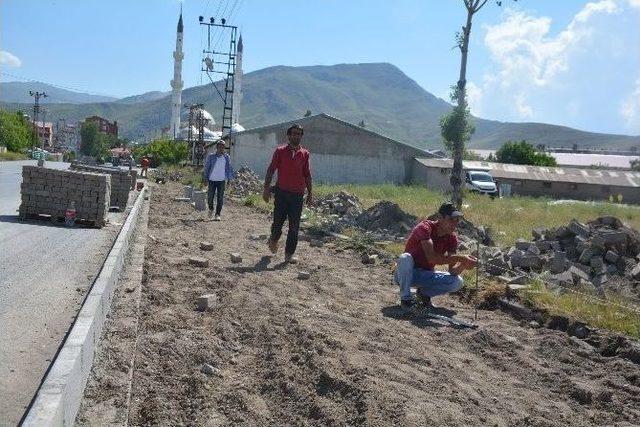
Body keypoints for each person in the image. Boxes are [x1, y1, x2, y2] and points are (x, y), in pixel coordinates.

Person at [394, 202, 478, 310]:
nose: (454, 223)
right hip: (406, 274)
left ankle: (423, 295)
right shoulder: (425, 228)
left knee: (457, 282)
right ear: (439, 217)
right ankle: (406, 300)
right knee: (405, 258)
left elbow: (452, 271)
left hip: (426, 274)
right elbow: (431, 258)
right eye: (451, 219)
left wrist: (464, 264)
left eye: (457, 220)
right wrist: (461, 258)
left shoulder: (452, 238)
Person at [262, 124, 312, 263]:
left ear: (301, 136)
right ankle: (273, 239)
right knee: (277, 224)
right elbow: (271, 169)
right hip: (281, 194)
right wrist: (266, 188)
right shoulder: (280, 151)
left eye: (299, 134)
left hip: (297, 196)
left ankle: (289, 254)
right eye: (294, 133)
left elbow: (307, 175)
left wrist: (310, 193)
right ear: (289, 136)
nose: (296, 136)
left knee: (294, 227)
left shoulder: (305, 154)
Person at [203, 140, 234, 221]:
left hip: (221, 180)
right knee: (210, 197)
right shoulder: (211, 156)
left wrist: (229, 180)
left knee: (220, 198)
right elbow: (207, 168)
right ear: (217, 147)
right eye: (220, 147)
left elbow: (229, 169)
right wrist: (205, 179)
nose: (221, 148)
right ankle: (210, 209)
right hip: (212, 180)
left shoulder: (226, 157)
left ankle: (217, 214)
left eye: (223, 147)